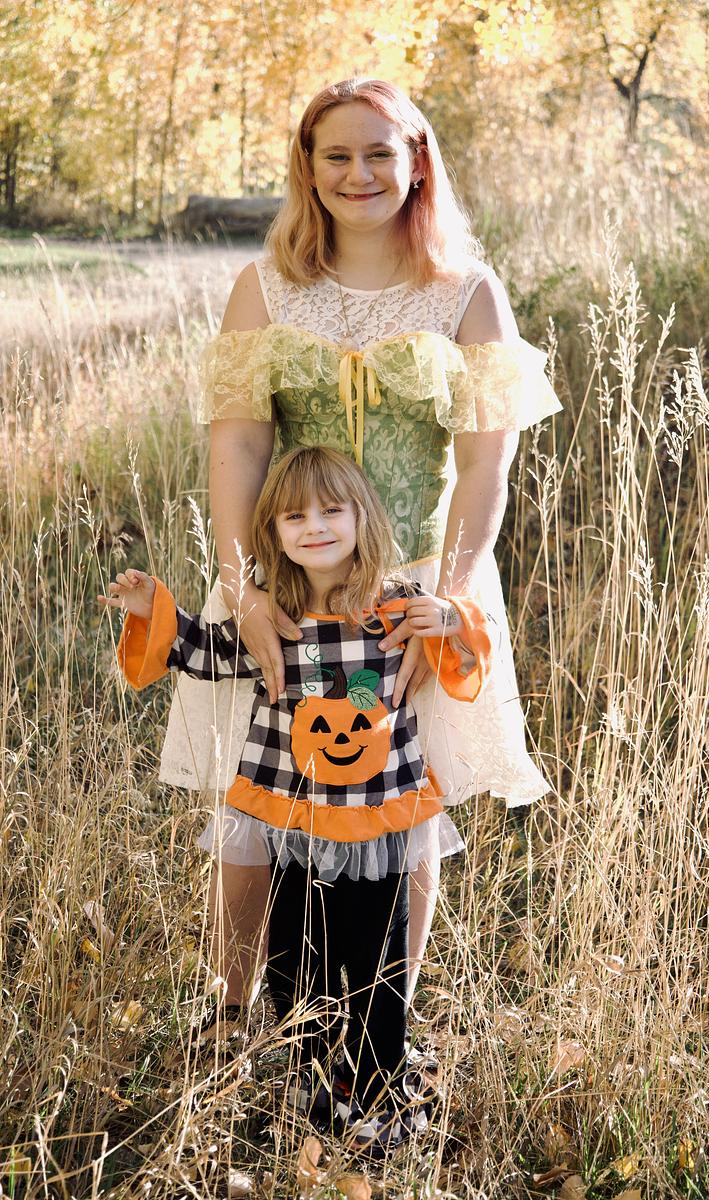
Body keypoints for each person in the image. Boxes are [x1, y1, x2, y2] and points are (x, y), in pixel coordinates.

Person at [158, 77, 561, 1029]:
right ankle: (233, 1011)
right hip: (283, 581)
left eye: (380, 152)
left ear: (417, 160)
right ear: (307, 168)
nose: (359, 173)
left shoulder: (466, 291)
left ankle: (390, 1022)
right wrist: (242, 590)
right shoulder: (265, 287)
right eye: (336, 154)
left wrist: (449, 603)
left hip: (418, 580)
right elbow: (237, 445)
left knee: (408, 806)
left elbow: (486, 464)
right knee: (255, 800)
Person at [100, 446, 494, 1152]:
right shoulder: (272, 616)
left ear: (362, 518)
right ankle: (306, 1082)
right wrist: (151, 607)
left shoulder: (396, 607)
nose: (314, 526)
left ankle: (375, 1090)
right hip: (293, 816)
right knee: (296, 959)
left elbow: (463, 657)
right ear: (273, 533)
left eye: (331, 510)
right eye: (294, 517)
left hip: (376, 818)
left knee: (376, 963)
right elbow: (204, 652)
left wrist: (451, 618)